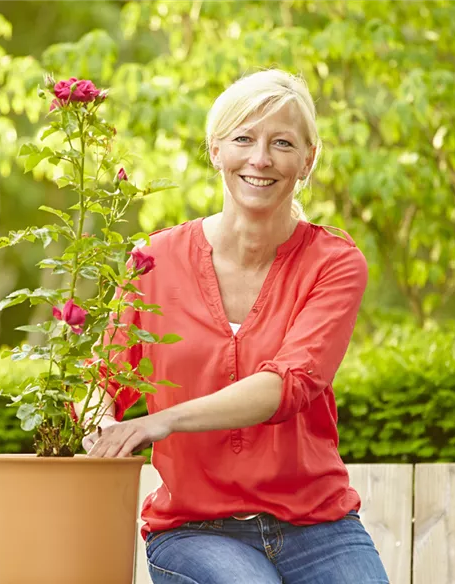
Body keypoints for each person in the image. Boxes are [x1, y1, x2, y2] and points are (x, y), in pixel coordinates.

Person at [86, 69, 389, 584]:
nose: (261, 159)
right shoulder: (153, 261)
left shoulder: (333, 263)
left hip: (318, 524)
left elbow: (288, 385)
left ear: (307, 159)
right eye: (243, 138)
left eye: (282, 143)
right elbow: (102, 378)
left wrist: (159, 421)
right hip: (194, 529)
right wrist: (104, 427)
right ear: (215, 150)